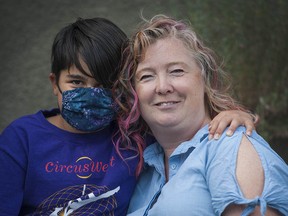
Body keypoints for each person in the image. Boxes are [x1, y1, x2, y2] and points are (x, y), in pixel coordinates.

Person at [0, 17, 257, 216]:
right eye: (76, 82)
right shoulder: (22, 138)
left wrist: (228, 113)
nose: (90, 94)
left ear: (123, 86)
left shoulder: (132, 133)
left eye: (105, 84)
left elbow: (183, 125)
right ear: (55, 83)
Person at [114, 15, 288, 215]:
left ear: (204, 79)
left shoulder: (228, 144)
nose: (162, 87)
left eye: (177, 71)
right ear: (134, 92)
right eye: (146, 76)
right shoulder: (143, 168)